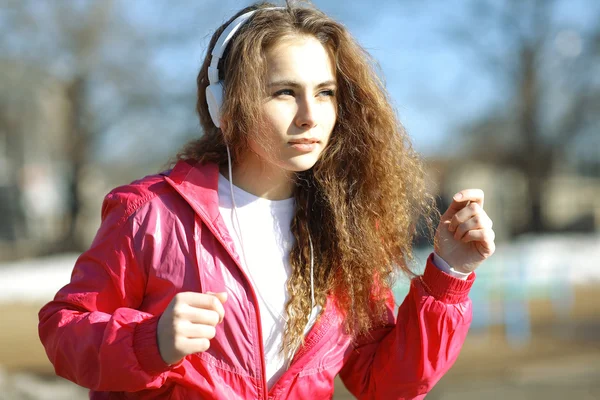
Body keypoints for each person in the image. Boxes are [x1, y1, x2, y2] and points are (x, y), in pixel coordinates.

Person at [38, 1, 496, 399]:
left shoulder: (343, 230)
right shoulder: (151, 214)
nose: (311, 116)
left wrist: (449, 273)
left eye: (325, 93)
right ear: (225, 102)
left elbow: (385, 382)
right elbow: (63, 331)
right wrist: (148, 341)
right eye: (284, 92)